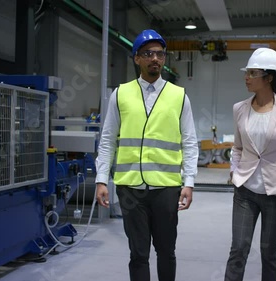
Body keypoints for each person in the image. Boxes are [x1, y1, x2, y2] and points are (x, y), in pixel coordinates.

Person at [95, 29, 198, 281]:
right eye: (148, 53)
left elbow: (190, 142)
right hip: (130, 188)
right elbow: (108, 139)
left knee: (166, 251)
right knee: (138, 253)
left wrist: (190, 182)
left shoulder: (179, 96)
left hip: (166, 188)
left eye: (160, 54)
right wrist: (100, 179)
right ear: (137, 58)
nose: (155, 59)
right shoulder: (119, 95)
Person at [224, 47, 276, 281]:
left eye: (252, 73)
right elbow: (237, 147)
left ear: (268, 77)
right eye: (246, 73)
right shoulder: (239, 108)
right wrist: (234, 170)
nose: (246, 77)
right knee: (238, 249)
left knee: (270, 252)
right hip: (245, 191)